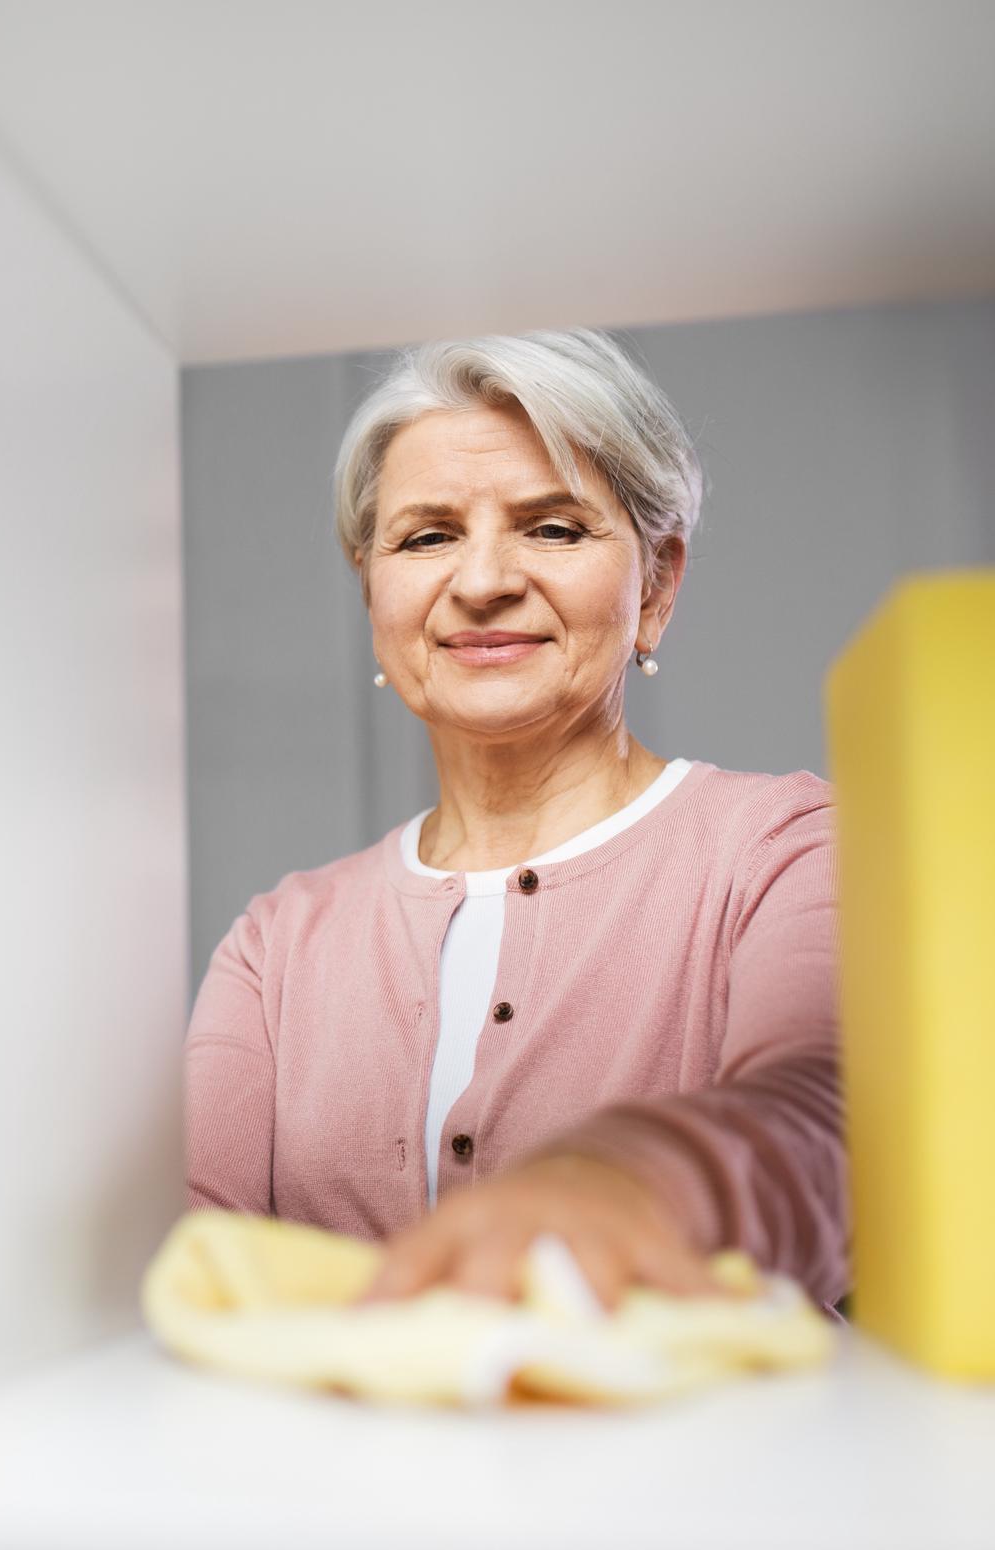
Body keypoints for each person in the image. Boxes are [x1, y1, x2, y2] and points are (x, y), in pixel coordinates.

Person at [183, 329, 848, 1314]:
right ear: (375, 591)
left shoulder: (789, 847)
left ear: (656, 586)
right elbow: (194, 1257)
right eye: (427, 536)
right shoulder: (276, 942)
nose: (483, 579)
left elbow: (830, 1121)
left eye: (553, 528)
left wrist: (629, 1182)